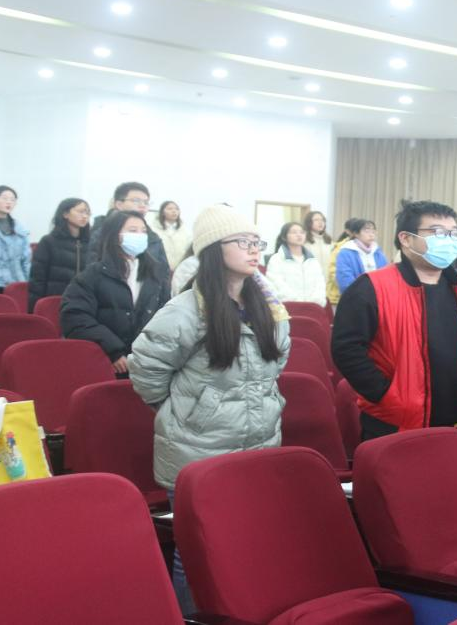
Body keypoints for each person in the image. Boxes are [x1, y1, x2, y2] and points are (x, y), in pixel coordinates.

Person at [129, 205, 290, 613]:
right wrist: (185, 411)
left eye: (257, 242)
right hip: (197, 449)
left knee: (247, 545)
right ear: (214, 249)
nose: (254, 249)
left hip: (258, 446)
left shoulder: (268, 305)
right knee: (196, 553)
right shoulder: (185, 310)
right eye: (243, 242)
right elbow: (145, 369)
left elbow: (278, 362)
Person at [331, 201, 457, 441]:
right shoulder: (371, 287)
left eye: (452, 233)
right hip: (395, 424)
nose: (447, 240)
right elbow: (346, 349)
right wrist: (386, 395)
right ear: (406, 238)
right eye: (437, 232)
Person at [60, 211, 172, 373]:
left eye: (144, 231)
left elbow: (166, 316)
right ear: (115, 235)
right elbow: (75, 316)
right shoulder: (93, 275)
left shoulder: (156, 274)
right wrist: (113, 350)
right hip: (106, 361)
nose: (140, 236)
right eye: (133, 231)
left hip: (147, 362)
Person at [88, 182, 169, 271]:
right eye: (136, 201)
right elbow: (93, 269)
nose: (142, 205)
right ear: (119, 204)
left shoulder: (153, 237)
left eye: (146, 202)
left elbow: (163, 270)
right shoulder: (102, 235)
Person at [28, 198, 91, 311]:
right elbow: (37, 279)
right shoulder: (49, 241)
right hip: (55, 301)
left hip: (84, 302)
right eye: (80, 211)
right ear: (65, 214)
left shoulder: (90, 243)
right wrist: (34, 307)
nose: (85, 216)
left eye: (87, 213)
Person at [264, 222, 327, 305]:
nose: (299, 235)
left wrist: (314, 302)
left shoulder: (312, 260)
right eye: (294, 232)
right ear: (284, 237)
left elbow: (320, 284)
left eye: (302, 232)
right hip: (288, 306)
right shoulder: (276, 259)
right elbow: (276, 285)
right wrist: (297, 302)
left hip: (313, 306)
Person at [334, 218, 388, 296]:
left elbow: (385, 276)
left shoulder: (378, 252)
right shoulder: (346, 252)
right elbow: (345, 280)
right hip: (355, 297)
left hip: (378, 296)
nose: (371, 234)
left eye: (373, 231)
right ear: (356, 234)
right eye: (367, 231)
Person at [152, 201, 191, 269]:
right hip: (160, 268)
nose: (174, 211)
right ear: (162, 212)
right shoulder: (154, 229)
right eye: (170, 209)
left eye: (176, 209)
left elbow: (188, 249)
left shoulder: (185, 230)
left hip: (181, 268)